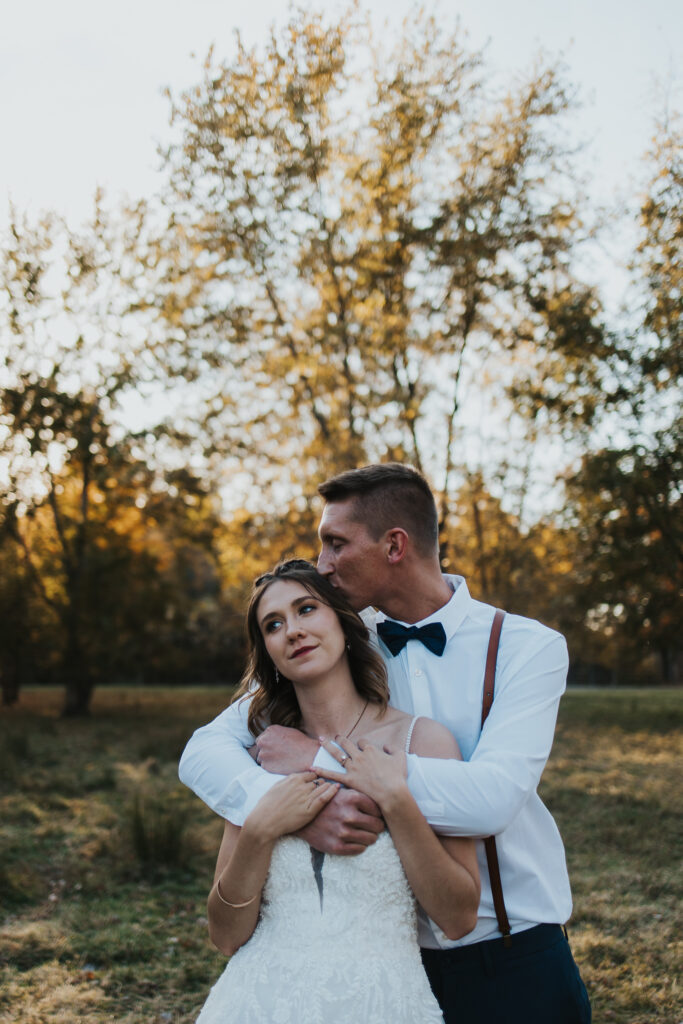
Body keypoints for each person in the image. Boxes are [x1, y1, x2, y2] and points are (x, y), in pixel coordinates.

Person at [180, 463, 592, 1024]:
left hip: (511, 956)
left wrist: (322, 765)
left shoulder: (526, 647)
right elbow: (205, 749)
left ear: (394, 545)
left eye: (335, 544)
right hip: (385, 969)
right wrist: (287, 812)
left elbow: (494, 799)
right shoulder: (333, 637)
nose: (321, 565)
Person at [194, 558, 480, 1024]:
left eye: (307, 609)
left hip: (384, 1003)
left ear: (345, 626)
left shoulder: (424, 743)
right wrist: (260, 829)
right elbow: (225, 936)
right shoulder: (261, 758)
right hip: (259, 1004)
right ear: (269, 654)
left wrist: (394, 799)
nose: (292, 630)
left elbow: (458, 918)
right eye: (273, 624)